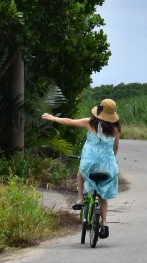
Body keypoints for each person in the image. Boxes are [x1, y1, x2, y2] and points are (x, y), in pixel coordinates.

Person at [41, 99, 121, 238]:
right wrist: (112, 159)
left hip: (90, 163)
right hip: (108, 165)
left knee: (80, 173)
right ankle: (105, 224)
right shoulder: (116, 129)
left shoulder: (90, 123)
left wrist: (53, 118)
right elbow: (116, 148)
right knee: (102, 196)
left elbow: (68, 121)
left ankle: (79, 199)